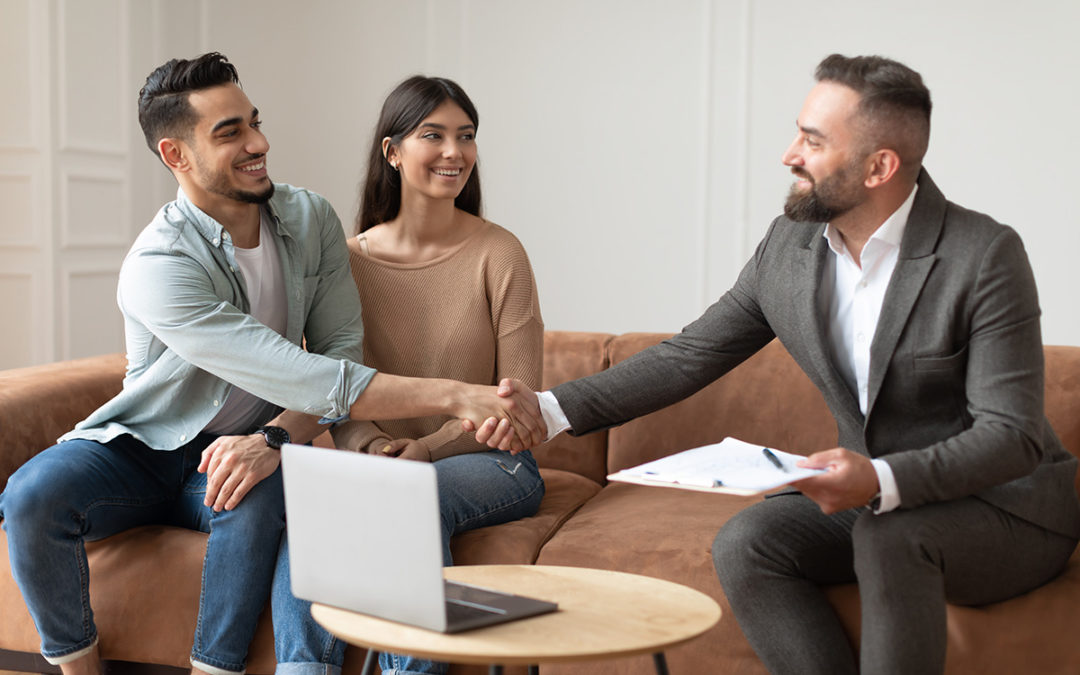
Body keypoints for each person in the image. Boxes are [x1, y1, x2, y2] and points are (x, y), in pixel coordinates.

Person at [476, 54, 1080, 674]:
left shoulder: (981, 255)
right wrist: (544, 412)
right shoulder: (788, 249)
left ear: (880, 166)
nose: (789, 154)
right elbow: (690, 355)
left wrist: (878, 479)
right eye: (798, 132)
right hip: (877, 504)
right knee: (749, 541)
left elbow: (1009, 439)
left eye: (813, 141)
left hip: (1003, 508)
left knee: (889, 534)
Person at [0, 53, 541, 675]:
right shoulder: (160, 264)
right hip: (146, 443)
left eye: (253, 122)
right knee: (32, 493)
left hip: (309, 451)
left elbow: (339, 357)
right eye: (229, 132)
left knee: (289, 502)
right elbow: (303, 373)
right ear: (176, 154)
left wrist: (277, 439)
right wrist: (435, 407)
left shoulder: (312, 220)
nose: (258, 142)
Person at [271, 75, 546, 675]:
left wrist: (423, 449)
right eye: (434, 135)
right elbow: (336, 382)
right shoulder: (346, 260)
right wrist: (369, 445)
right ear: (392, 152)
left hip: (495, 461)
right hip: (384, 457)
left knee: (406, 503)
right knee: (321, 512)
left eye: (466, 136)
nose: (455, 152)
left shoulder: (501, 253)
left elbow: (518, 404)